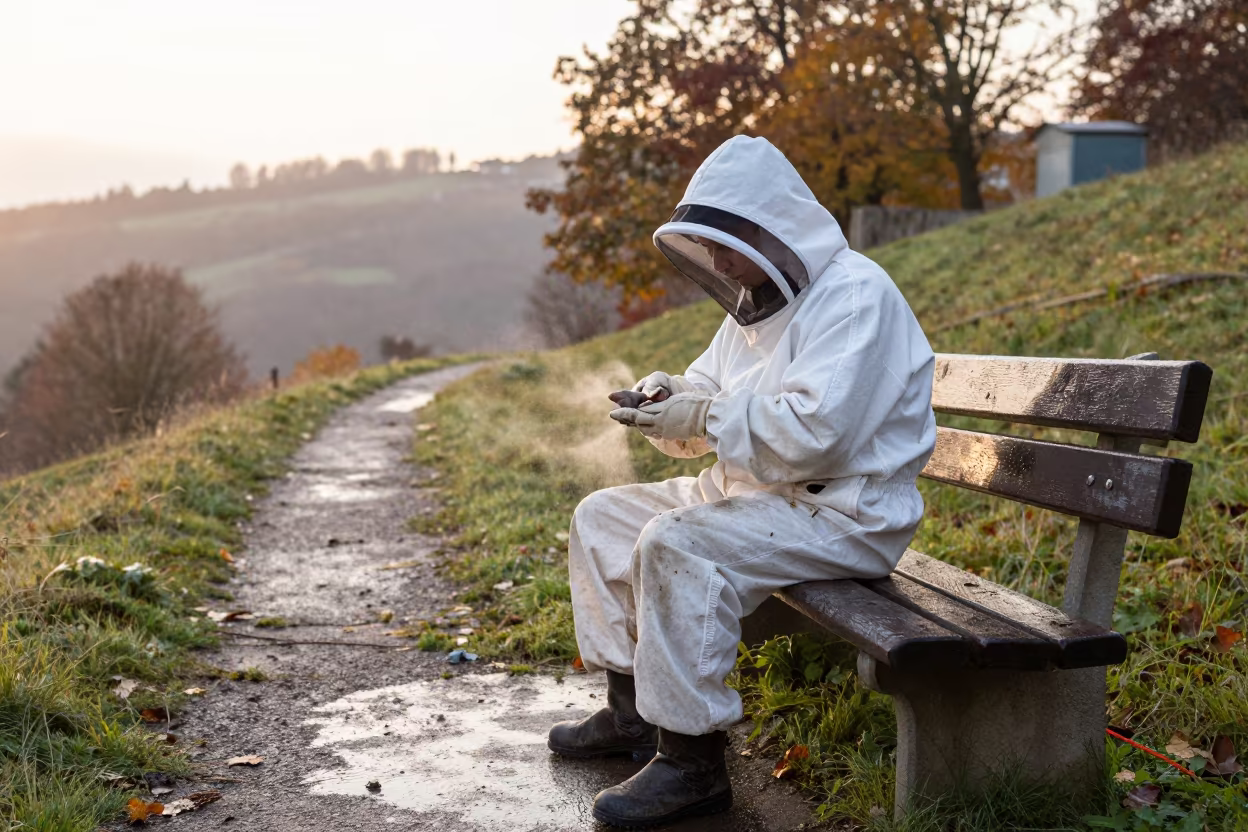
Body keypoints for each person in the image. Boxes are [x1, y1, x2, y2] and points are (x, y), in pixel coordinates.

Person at [547, 135, 937, 828]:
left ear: (773, 226)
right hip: (757, 497)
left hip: (844, 513)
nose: (721, 262)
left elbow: (818, 439)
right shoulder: (758, 305)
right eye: (712, 246)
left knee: (677, 542)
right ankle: (631, 711)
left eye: (728, 243)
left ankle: (691, 762)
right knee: (602, 516)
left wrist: (709, 414)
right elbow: (709, 390)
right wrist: (668, 399)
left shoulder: (854, 297)